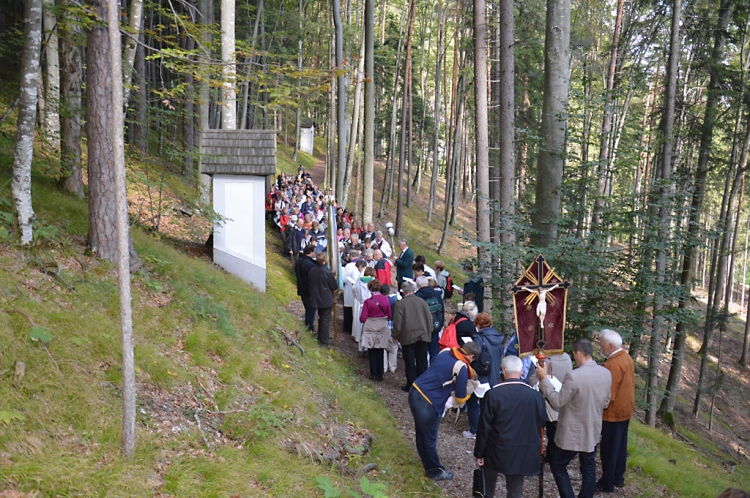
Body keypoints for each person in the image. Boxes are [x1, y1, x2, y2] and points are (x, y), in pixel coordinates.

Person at [536, 339, 612, 498]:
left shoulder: (574, 376)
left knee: (557, 465)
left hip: (573, 431)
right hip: (593, 429)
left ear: (577, 353)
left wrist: (544, 380)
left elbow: (557, 402)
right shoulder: (606, 373)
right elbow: (605, 403)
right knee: (589, 467)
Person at [475, 355, 548, 498]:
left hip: (496, 447)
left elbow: (485, 426)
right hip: (523, 447)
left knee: (487, 487)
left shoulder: (493, 394)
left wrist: (479, 453)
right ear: (522, 372)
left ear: (503, 370)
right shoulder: (535, 396)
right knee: (515, 490)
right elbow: (542, 421)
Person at [409, 342, 480, 481]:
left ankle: (426, 462)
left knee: (421, 433)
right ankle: (435, 471)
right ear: (471, 356)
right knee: (430, 438)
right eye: (473, 359)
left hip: (415, 390)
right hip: (428, 402)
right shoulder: (461, 368)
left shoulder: (446, 351)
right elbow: (460, 399)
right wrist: (469, 393)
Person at [597, 329, 635, 493]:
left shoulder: (612, 364)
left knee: (609, 449)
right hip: (625, 410)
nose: (600, 348)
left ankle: (608, 482)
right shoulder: (626, 357)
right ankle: (618, 477)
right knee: (619, 446)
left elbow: (608, 395)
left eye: (602, 344)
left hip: (613, 413)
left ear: (610, 345)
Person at [464, 312, 505, 439]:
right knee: (487, 404)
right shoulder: (498, 338)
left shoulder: (478, 338)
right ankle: (488, 429)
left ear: (478, 325)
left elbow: (475, 356)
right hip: (493, 375)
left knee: (472, 402)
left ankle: (475, 430)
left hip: (481, 375)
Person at [392, 281, 433, 392]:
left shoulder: (400, 304)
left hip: (408, 336)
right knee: (422, 361)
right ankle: (422, 384)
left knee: (410, 361)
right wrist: (429, 331)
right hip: (423, 335)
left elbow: (397, 323)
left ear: (403, 291)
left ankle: (411, 384)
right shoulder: (422, 302)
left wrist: (395, 335)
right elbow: (429, 318)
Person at [540, 352, 573, 464]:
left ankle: (551, 457)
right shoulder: (567, 357)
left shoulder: (546, 361)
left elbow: (536, 379)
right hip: (564, 397)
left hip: (551, 397)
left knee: (552, 432)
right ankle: (554, 455)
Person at [359, 279, 393, 381]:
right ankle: (380, 374)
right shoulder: (385, 300)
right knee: (380, 350)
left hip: (370, 327)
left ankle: (373, 373)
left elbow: (362, 318)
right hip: (382, 327)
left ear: (370, 289)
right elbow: (390, 315)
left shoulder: (368, 302)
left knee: (372, 350)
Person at [308, 252, 339, 345]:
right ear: (324, 261)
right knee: (325, 319)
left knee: (321, 318)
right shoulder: (327, 272)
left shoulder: (312, 270)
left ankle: (321, 337)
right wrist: (334, 279)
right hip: (326, 298)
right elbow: (334, 286)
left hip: (316, 297)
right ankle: (324, 340)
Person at [415, 276, 445, 363]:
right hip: (435, 325)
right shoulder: (437, 295)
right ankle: (434, 370)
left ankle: (423, 371)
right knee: (434, 351)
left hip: (422, 328)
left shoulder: (417, 296)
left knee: (421, 353)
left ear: (419, 285)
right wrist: (441, 323)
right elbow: (442, 310)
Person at [294, 245, 318, 332]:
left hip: (301, 288)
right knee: (311, 311)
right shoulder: (310, 264)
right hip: (309, 290)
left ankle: (308, 326)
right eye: (314, 252)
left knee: (308, 309)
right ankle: (309, 328)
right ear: (311, 252)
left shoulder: (298, 261)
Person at [352, 265, 376, 346]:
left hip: (362, 304)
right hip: (372, 305)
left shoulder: (358, 281)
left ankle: (361, 344)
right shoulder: (373, 282)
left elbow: (354, 292)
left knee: (361, 325)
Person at [342, 251, 362, 335]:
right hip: (359, 292)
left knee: (349, 310)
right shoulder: (363, 264)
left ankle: (348, 328)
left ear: (352, 256)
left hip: (349, 290)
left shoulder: (349, 265)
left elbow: (344, 279)